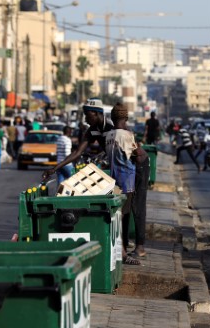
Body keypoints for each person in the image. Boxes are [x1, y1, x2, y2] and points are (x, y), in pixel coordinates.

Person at [105, 103, 143, 266]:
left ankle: (120, 249)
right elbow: (137, 156)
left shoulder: (109, 135)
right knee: (123, 217)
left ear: (113, 118)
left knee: (117, 217)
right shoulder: (126, 135)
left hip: (114, 181)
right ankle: (123, 253)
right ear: (125, 118)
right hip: (126, 181)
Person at [44, 98, 113, 180]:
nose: (86, 120)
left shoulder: (111, 127)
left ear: (96, 112)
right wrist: (54, 169)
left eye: (88, 115)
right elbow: (77, 152)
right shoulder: (92, 130)